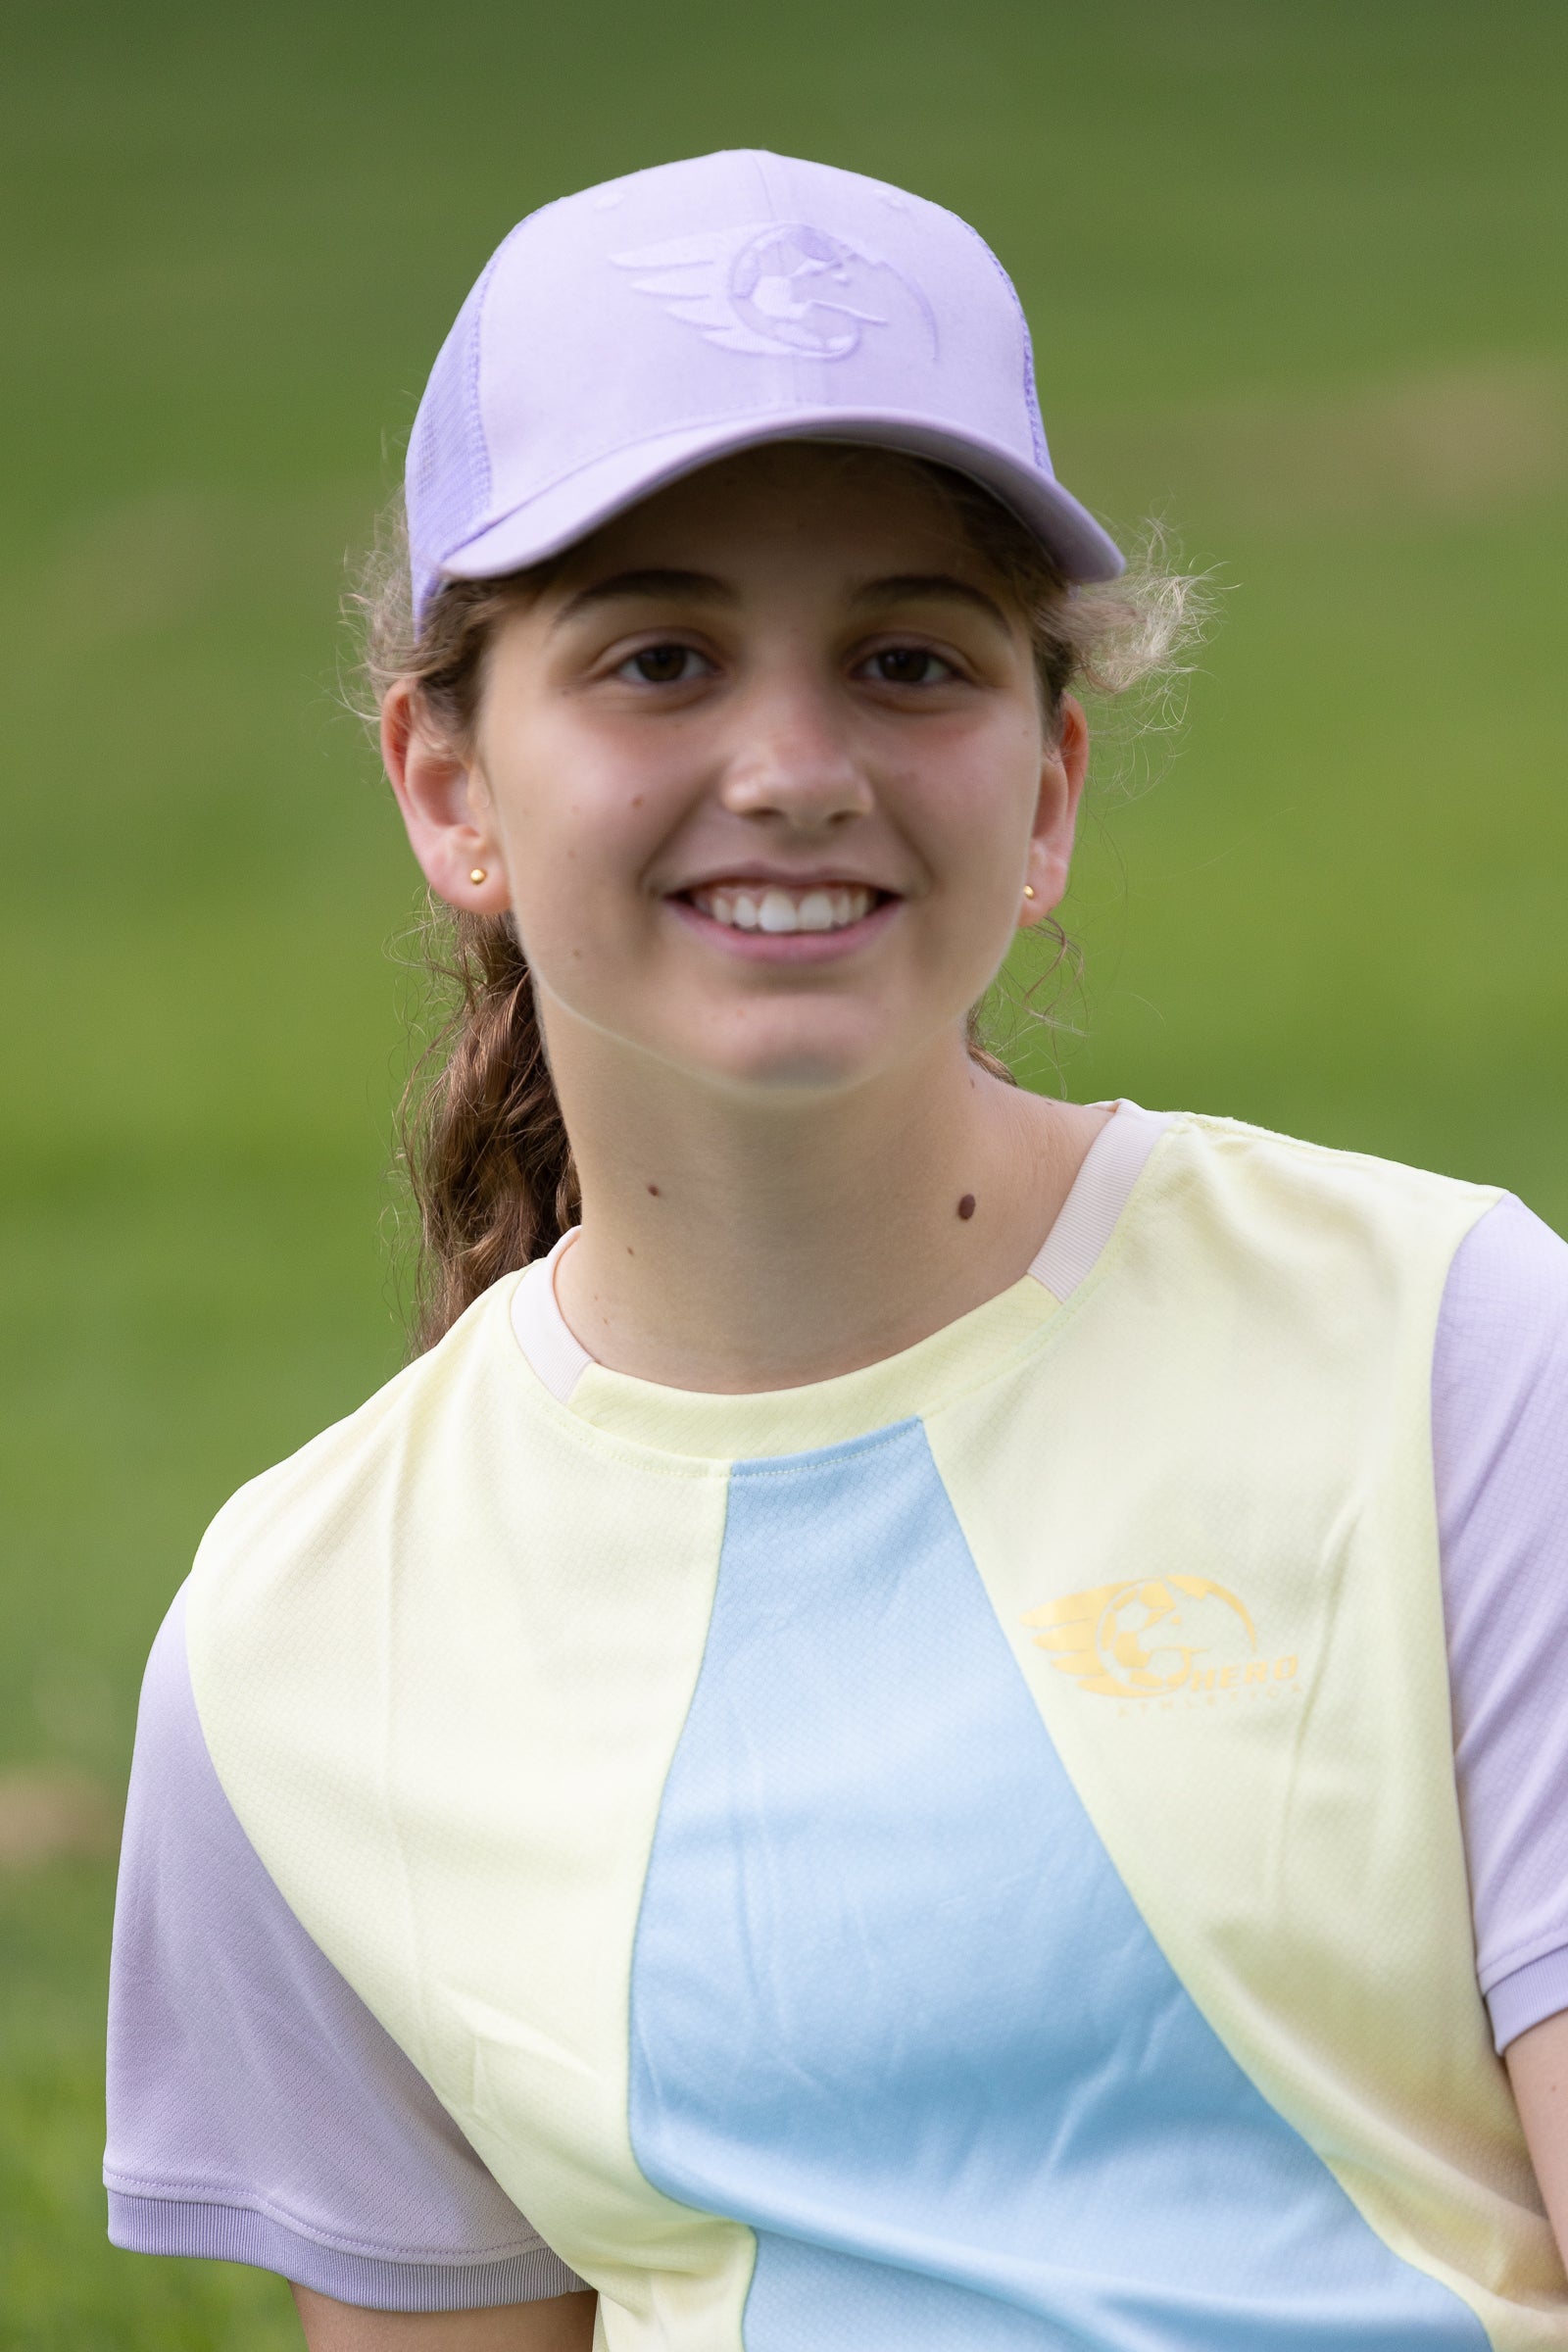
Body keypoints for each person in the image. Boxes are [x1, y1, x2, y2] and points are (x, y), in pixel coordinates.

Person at [104, 150, 1568, 2352]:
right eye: (659, 658)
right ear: (446, 785)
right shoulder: (296, 1642)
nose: (790, 767)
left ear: (1049, 783)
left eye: (903, 661)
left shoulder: (1450, 1354)